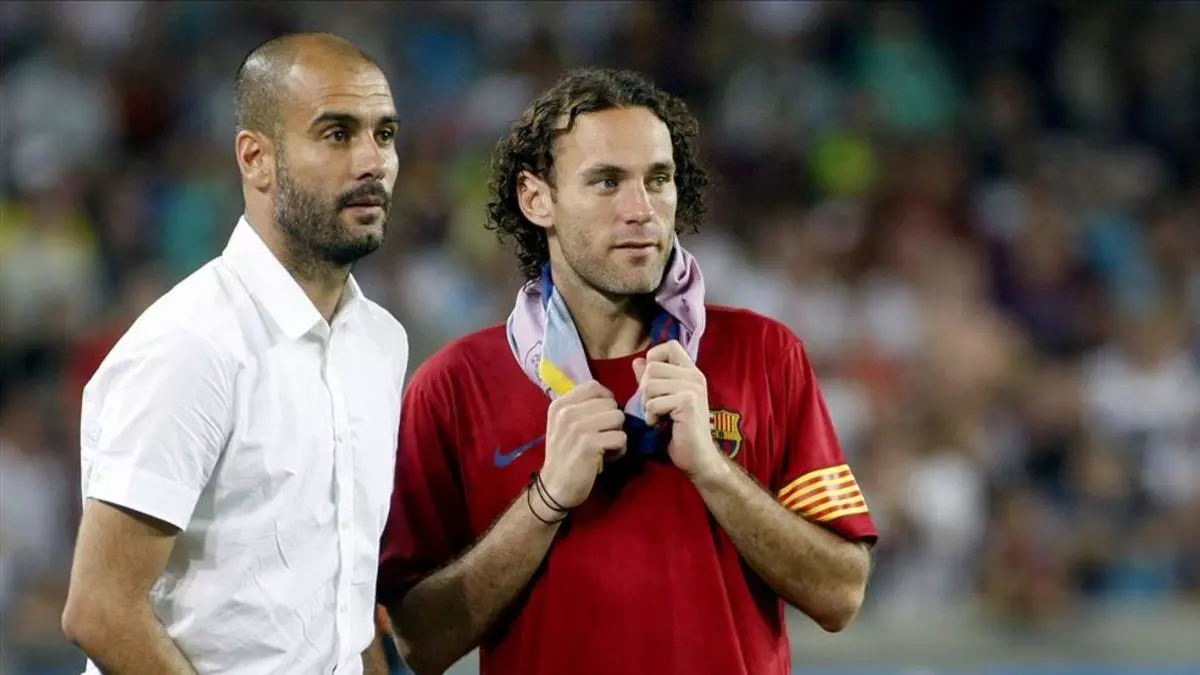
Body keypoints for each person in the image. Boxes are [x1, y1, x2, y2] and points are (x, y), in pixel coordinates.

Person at [377, 68, 877, 675]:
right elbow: (412, 642)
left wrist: (715, 473)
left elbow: (841, 595)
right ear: (537, 199)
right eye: (606, 182)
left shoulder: (764, 354)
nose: (641, 210)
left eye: (657, 180)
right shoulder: (454, 385)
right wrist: (545, 502)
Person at [61, 33, 407, 675]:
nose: (372, 161)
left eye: (384, 134)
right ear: (256, 159)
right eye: (336, 133)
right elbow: (101, 609)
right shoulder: (191, 345)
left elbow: (346, 603)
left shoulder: (381, 342)